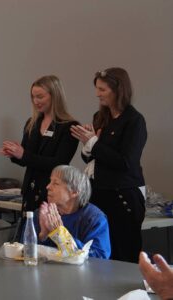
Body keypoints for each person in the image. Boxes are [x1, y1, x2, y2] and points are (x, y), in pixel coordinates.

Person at [70, 68, 147, 263]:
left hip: (123, 196)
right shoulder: (100, 117)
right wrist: (87, 144)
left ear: (118, 90)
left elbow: (126, 162)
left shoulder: (134, 121)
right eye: (97, 88)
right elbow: (93, 159)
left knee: (123, 252)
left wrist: (94, 142)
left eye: (102, 89)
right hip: (99, 192)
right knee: (99, 251)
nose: (98, 94)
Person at [0, 75, 79, 212]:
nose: (36, 101)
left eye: (40, 97)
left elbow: (59, 163)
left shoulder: (68, 127)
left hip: (52, 192)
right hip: (30, 190)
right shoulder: (32, 123)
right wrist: (14, 153)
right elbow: (26, 158)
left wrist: (23, 155)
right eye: (33, 97)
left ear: (55, 96)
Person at [36, 165, 110, 259]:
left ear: (74, 191)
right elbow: (23, 251)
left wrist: (62, 236)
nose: (48, 187)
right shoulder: (43, 213)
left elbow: (99, 257)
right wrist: (43, 236)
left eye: (55, 183)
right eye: (50, 181)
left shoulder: (94, 218)